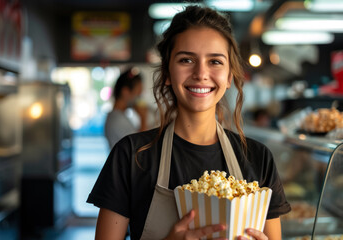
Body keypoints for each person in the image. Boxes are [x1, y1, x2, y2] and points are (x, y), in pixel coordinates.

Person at [87, 5, 291, 240]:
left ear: (229, 77)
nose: (201, 73)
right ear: (166, 74)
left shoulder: (258, 159)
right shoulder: (131, 155)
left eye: (215, 61)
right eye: (186, 60)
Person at [104, 67, 148, 149]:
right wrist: (143, 118)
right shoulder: (117, 119)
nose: (139, 98)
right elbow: (140, 147)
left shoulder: (120, 115)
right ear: (125, 92)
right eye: (138, 93)